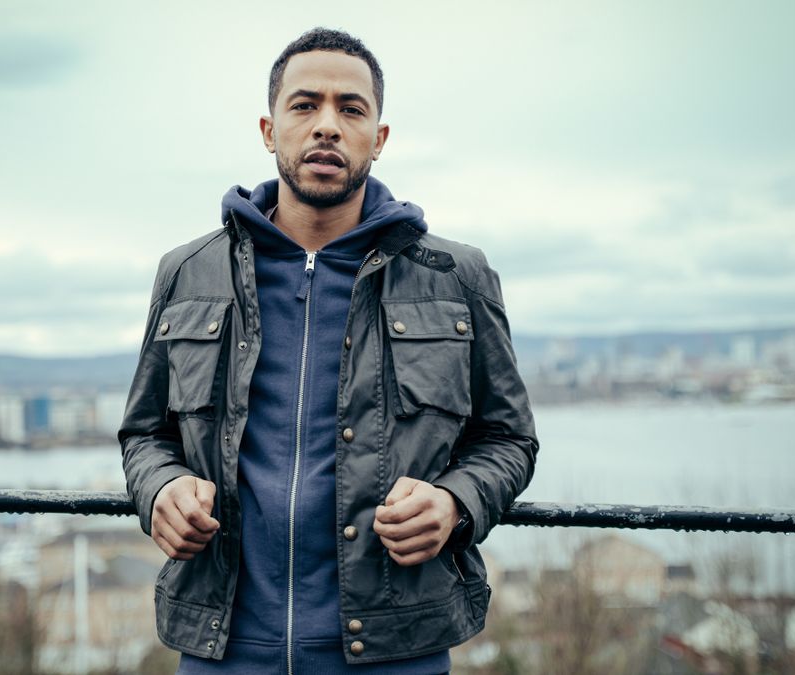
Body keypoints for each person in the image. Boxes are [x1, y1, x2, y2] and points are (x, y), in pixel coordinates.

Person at [119, 27, 538, 674]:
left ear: (379, 136)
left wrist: (455, 503)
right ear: (268, 129)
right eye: (304, 105)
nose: (327, 126)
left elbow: (510, 439)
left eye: (350, 109)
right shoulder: (187, 272)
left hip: (397, 647)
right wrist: (162, 487)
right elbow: (144, 432)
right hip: (221, 645)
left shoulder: (456, 275)